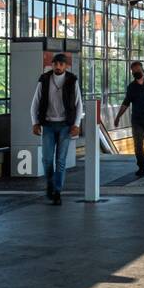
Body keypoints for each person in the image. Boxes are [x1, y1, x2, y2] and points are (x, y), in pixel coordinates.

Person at [29, 53, 83, 205]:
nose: (58, 66)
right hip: (48, 125)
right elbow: (35, 103)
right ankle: (50, 184)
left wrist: (76, 124)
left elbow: (79, 104)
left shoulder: (72, 80)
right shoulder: (44, 79)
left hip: (65, 125)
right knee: (47, 159)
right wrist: (35, 123)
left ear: (66, 66)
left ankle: (57, 191)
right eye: (55, 64)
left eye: (61, 64)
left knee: (60, 160)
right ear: (52, 65)